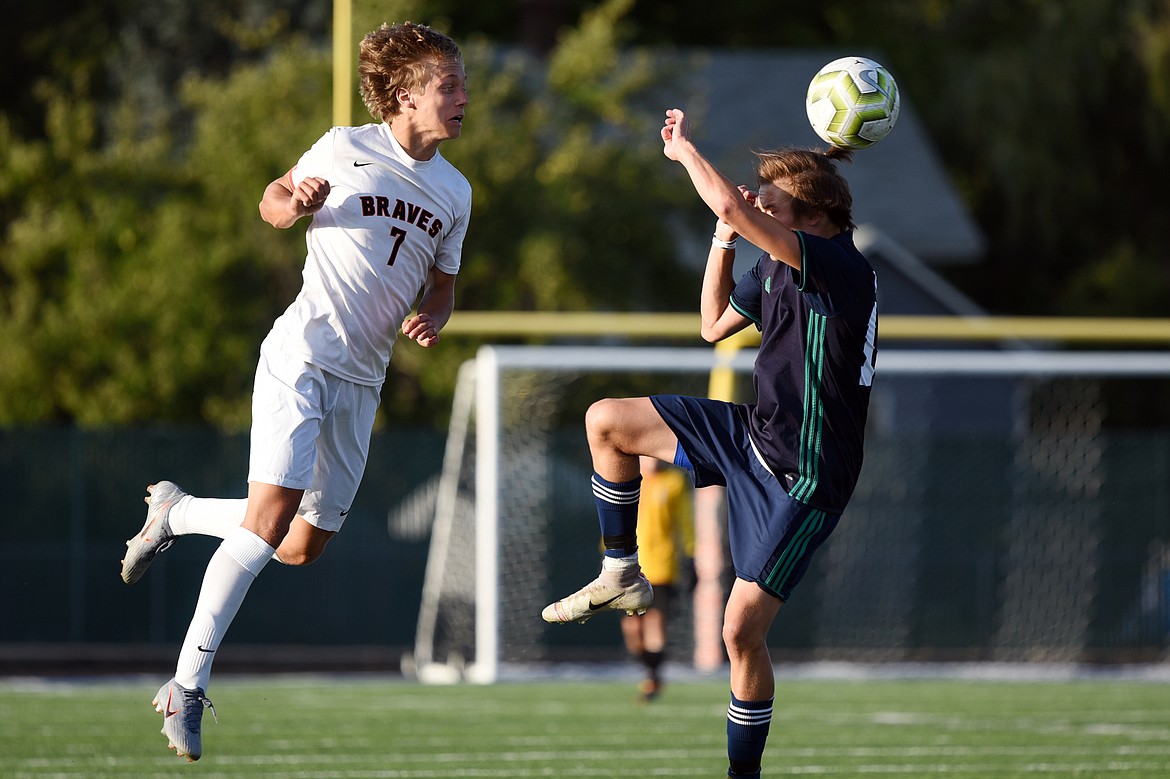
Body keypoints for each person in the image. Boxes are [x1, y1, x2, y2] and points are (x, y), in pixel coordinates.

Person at [119, 21, 471, 762]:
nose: (463, 98)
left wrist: (433, 317)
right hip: (302, 354)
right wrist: (294, 201)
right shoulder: (345, 145)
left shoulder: (456, 190)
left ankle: (177, 512)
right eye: (450, 85)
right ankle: (185, 685)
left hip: (362, 380)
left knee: (301, 545)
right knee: (270, 516)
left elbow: (442, 286)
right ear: (405, 95)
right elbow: (272, 201)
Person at [542, 108, 878, 779]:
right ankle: (620, 572)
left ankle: (741, 775)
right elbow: (712, 324)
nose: (757, 201)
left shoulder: (837, 263)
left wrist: (684, 152)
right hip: (752, 433)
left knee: (738, 632)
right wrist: (725, 238)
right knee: (606, 419)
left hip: (805, 474)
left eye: (771, 197)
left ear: (811, 211)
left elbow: (724, 194)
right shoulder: (780, 262)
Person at [620, 456, 695, 701]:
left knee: (655, 623)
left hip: (663, 566)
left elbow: (685, 522)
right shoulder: (628, 480)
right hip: (630, 567)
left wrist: (691, 555)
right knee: (632, 629)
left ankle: (652, 678)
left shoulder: (673, 482)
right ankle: (651, 671)